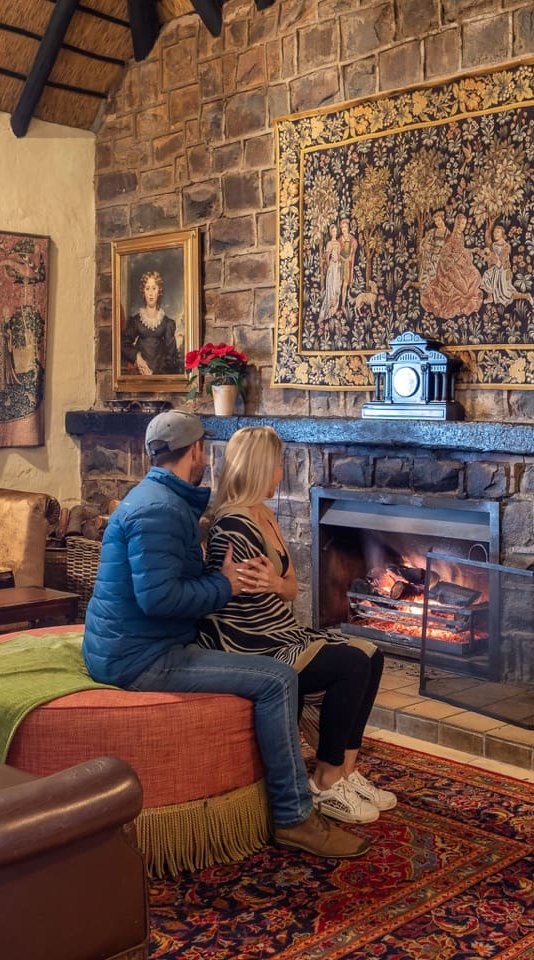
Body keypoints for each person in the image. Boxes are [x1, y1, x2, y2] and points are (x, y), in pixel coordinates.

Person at [82, 411, 369, 859]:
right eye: (204, 450)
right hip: (142, 658)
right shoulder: (159, 508)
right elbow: (158, 600)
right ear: (196, 451)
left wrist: (227, 581)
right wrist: (226, 584)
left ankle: (315, 786)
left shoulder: (160, 498)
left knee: (299, 671)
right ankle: (294, 818)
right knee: (277, 679)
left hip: (141, 644)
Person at [197, 426, 394, 825]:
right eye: (276, 466)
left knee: (373, 654)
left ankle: (345, 772)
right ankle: (324, 782)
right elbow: (243, 601)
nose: (280, 474)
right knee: (351, 664)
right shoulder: (234, 525)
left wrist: (276, 583)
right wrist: (271, 586)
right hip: (249, 640)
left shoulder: (263, 513)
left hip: (277, 626)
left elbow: (289, 589)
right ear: (257, 468)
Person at [420, 212, 483, 318]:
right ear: (457, 224)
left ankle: (466, 296)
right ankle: (462, 298)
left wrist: (471, 251)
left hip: (458, 263)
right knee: (464, 288)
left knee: (476, 274)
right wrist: (456, 261)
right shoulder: (451, 237)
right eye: (461, 224)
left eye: (464, 224)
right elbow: (445, 256)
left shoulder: (461, 235)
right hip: (448, 266)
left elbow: (460, 250)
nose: (462, 226)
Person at [121, 271, 181, 375]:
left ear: (159, 291)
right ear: (143, 291)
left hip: (160, 375)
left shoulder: (167, 323)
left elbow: (171, 358)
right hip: (138, 375)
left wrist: (154, 374)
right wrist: (137, 357)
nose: (151, 293)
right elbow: (123, 344)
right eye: (147, 288)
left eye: (154, 288)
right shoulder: (136, 321)